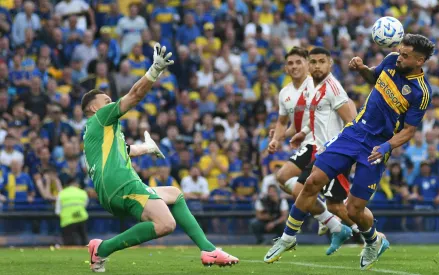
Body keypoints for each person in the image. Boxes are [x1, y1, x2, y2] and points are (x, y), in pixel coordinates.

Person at [266, 34, 434, 270]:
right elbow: (373, 79)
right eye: (400, 52)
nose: (400, 58)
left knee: (353, 209)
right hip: (354, 132)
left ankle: (373, 241)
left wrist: (386, 147)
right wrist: (362, 68)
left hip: (376, 146)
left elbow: (408, 131)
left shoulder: (421, 92)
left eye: (406, 56)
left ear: (420, 61)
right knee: (312, 181)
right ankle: (287, 238)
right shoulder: (391, 59)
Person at [82, 44, 238, 272]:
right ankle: (102, 248)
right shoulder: (102, 117)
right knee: (166, 224)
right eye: (106, 101)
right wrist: (154, 70)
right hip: (120, 183)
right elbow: (134, 96)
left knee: (174, 194)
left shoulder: (99, 133)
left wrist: (146, 147)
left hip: (110, 191)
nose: (110, 103)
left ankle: (207, 249)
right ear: (94, 108)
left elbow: (126, 151)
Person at [265, 47, 359, 262]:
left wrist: (350, 138)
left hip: (322, 145)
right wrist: (278, 138)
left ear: (306, 64)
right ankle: (340, 226)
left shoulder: (319, 83)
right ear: (286, 67)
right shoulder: (286, 93)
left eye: (299, 62)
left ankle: (320, 226)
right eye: (291, 63)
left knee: (294, 184)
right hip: (314, 143)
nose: (295, 66)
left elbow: (345, 104)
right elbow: (285, 123)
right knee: (333, 203)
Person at [55, 176, 89, 246]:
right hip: (81, 219)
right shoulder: (82, 192)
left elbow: (57, 211)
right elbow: (85, 204)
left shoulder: (62, 193)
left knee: (69, 244)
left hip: (67, 221)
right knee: (84, 242)